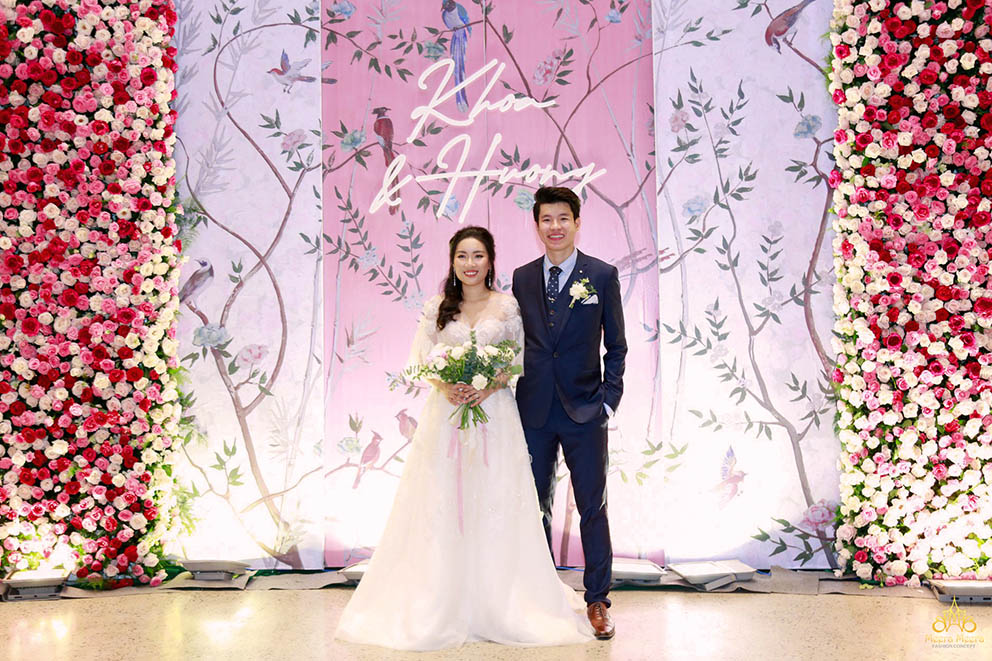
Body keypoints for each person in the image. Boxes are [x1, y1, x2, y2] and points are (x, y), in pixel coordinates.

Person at [335, 226, 593, 650]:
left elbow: (519, 360)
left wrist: (489, 385)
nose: (470, 264)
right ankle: (440, 598)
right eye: (462, 256)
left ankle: (501, 601)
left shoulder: (507, 306)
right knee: (443, 503)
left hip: (496, 416)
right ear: (452, 262)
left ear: (490, 261)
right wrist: (446, 385)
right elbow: (420, 360)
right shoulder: (437, 307)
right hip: (446, 417)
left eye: (478, 256)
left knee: (495, 499)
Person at [511, 186, 627, 639]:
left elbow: (616, 346)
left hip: (586, 410)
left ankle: (597, 600)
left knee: (593, 507)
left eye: (563, 218)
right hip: (534, 409)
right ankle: (543, 597)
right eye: (546, 219)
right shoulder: (522, 278)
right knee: (534, 506)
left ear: (577, 222)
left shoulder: (601, 275)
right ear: (536, 225)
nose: (555, 227)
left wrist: (608, 400)